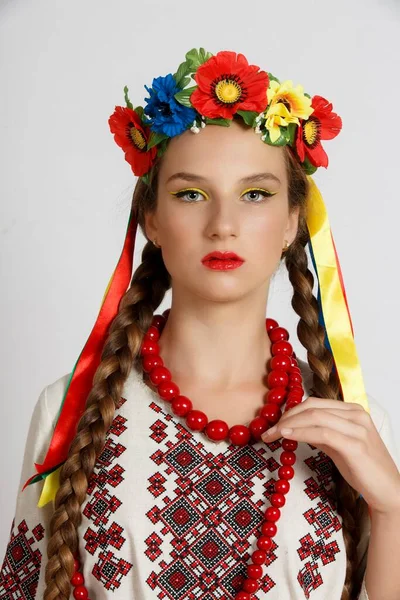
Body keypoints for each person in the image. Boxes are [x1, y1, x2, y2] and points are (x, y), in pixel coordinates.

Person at [1, 48, 399, 600]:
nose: (223, 224)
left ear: (291, 221)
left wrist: (395, 510)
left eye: (255, 194)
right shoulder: (71, 408)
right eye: (191, 194)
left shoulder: (352, 423)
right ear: (153, 221)